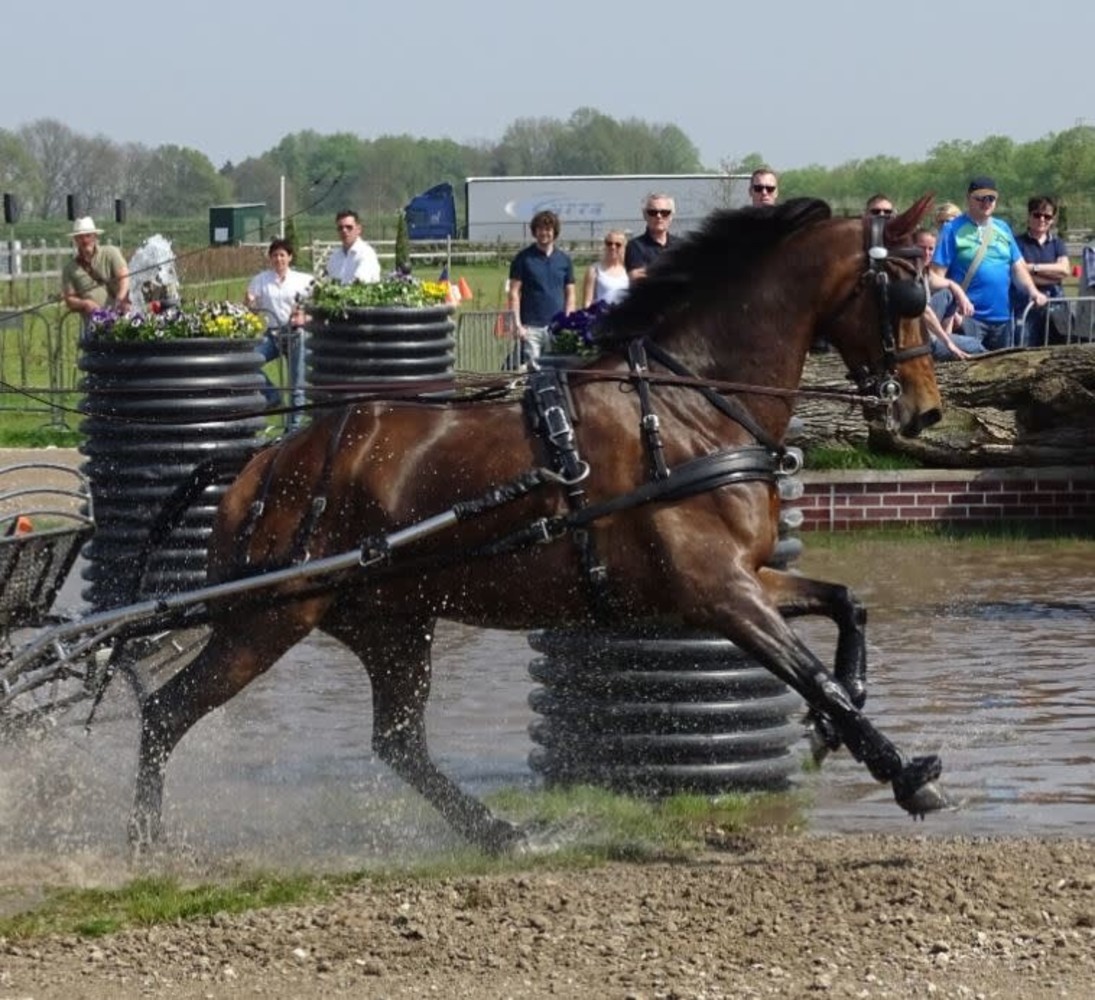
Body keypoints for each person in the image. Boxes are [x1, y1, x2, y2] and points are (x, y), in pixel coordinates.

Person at [929, 176, 1046, 351]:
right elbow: (937, 276)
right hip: (968, 319)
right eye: (981, 198)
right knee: (968, 373)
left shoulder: (1003, 228)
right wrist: (950, 312)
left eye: (991, 198)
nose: (987, 202)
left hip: (1004, 319)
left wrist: (1033, 291)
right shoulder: (952, 229)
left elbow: (1018, 267)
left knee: (1003, 371)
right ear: (969, 199)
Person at [245, 238, 314, 422]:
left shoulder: (303, 280)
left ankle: (293, 429)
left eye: (282, 255)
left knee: (296, 384)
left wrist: (304, 316)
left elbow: (317, 306)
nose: (278, 259)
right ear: (270, 258)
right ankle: (272, 395)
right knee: (248, 362)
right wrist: (250, 302)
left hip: (295, 334)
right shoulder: (261, 280)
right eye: (275, 255)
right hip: (273, 333)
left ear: (290, 257)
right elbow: (252, 308)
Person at [507, 209, 575, 365]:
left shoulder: (564, 260)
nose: (544, 233)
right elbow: (514, 293)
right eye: (540, 229)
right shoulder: (523, 259)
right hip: (530, 327)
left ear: (554, 232)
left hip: (557, 327)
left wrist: (568, 322)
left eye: (548, 229)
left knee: (556, 370)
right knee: (533, 372)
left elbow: (570, 294)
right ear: (534, 231)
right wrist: (517, 324)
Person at [1012, 196, 1070, 346]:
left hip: (1056, 309)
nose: (1042, 219)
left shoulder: (1057, 243)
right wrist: (1053, 275)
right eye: (1037, 215)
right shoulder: (1017, 243)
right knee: (1025, 349)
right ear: (1029, 216)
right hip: (1026, 306)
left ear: (1053, 219)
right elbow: (1018, 274)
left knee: (1059, 348)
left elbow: (1064, 270)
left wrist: (1033, 268)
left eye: (1047, 216)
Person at [914, 228, 980, 360]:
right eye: (921, 248)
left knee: (949, 293)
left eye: (930, 249)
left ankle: (946, 335)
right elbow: (925, 312)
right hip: (920, 340)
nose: (926, 253)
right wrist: (949, 343)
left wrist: (963, 297)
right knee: (975, 345)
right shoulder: (910, 276)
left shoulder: (925, 273)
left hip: (931, 333)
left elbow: (950, 284)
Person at [61, 217, 130, 332]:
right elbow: (69, 299)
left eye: (88, 236)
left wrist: (120, 298)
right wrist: (85, 304)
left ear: (95, 236)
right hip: (94, 323)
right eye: (80, 237)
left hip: (120, 316)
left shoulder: (110, 253)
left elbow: (124, 277)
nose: (85, 240)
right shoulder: (69, 268)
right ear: (75, 240)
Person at [624, 193, 678, 280]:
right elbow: (639, 278)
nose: (659, 216)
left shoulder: (680, 246)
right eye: (653, 212)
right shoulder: (634, 247)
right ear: (645, 215)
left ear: (671, 216)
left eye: (665, 213)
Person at [325, 210, 380, 284]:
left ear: (359, 229)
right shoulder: (334, 257)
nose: (344, 230)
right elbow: (326, 281)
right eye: (340, 228)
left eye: (349, 227)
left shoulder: (366, 254)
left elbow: (359, 284)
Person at [582, 231, 629, 307]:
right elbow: (588, 301)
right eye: (609, 243)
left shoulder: (629, 270)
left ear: (624, 247)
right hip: (602, 317)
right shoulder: (594, 270)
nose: (613, 247)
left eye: (618, 244)